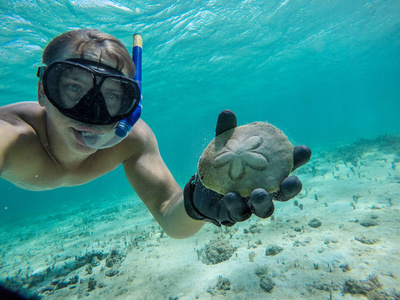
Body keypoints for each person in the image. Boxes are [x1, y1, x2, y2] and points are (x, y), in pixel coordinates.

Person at [0, 29, 311, 239]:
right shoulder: (12, 136)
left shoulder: (133, 140)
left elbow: (170, 218)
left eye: (112, 96)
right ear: (43, 91)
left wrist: (199, 201)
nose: (91, 115)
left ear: (131, 105)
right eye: (72, 88)